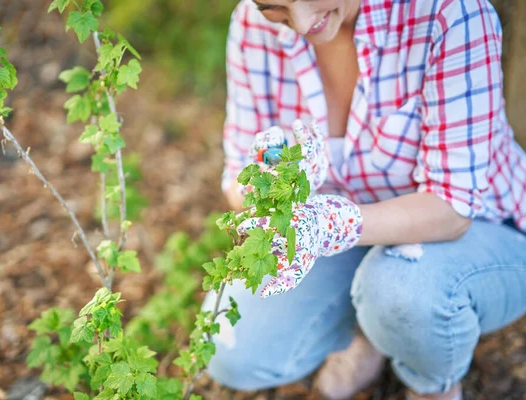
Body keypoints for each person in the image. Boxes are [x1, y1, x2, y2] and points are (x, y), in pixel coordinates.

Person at [200, 0, 526, 399]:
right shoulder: (252, 26)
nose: (300, 25)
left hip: (472, 232)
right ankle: (368, 331)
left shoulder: (448, 14)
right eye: (275, 8)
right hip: (338, 238)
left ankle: (430, 382)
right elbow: (238, 175)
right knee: (230, 351)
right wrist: (266, 178)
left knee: (401, 291)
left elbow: (452, 207)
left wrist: (328, 225)